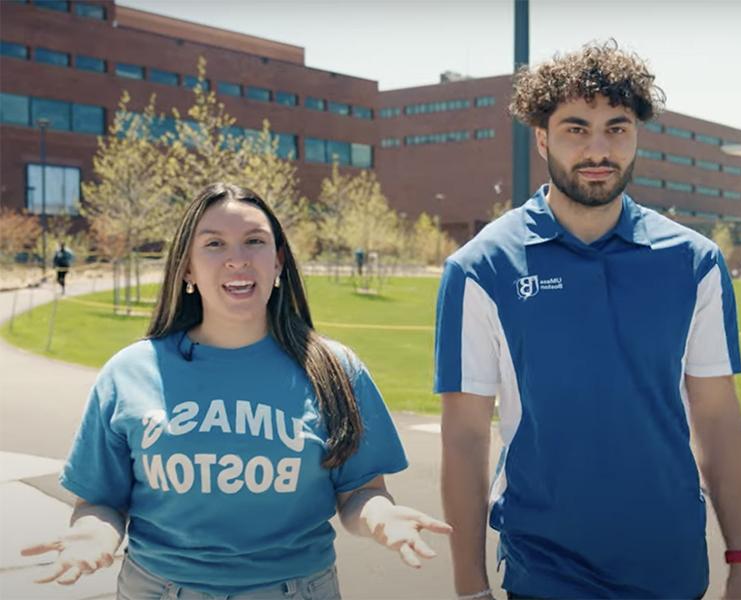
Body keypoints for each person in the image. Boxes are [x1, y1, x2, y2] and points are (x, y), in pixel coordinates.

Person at [436, 41, 741, 600]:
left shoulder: (694, 261)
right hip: (545, 570)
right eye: (576, 129)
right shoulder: (480, 268)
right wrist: (470, 588)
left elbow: (717, 417)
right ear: (542, 138)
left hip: (671, 564)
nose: (598, 149)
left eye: (617, 127)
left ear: (636, 135)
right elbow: (464, 436)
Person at [22, 183, 451, 598]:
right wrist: (91, 537)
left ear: (278, 261)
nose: (237, 259)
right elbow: (98, 502)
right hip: (156, 589)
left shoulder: (335, 370)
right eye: (214, 244)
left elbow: (361, 491)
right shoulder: (130, 372)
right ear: (186, 267)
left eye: (254, 241)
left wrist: (382, 517)